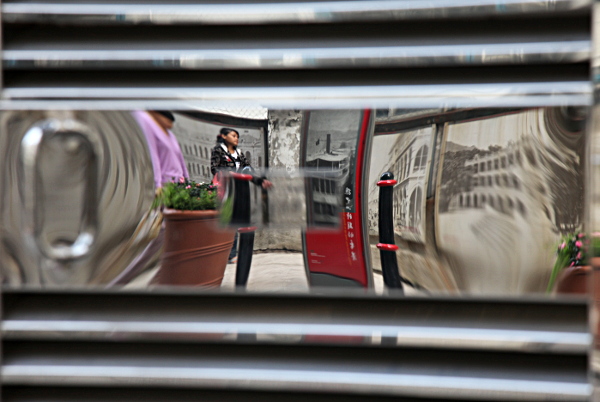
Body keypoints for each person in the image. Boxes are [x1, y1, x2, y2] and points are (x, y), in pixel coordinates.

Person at [109, 110, 188, 286]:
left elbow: (180, 160)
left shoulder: (168, 133)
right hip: (164, 190)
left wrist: (187, 185)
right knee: (157, 239)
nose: (171, 121)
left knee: (167, 240)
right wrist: (157, 185)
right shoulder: (145, 119)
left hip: (177, 191)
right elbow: (151, 156)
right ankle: (118, 282)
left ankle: (158, 282)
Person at [210, 127, 272, 263]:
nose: (236, 138)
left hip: (241, 189)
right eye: (233, 136)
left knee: (239, 221)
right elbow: (214, 168)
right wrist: (229, 173)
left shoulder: (239, 152)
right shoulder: (218, 150)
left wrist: (261, 181)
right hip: (227, 188)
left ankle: (233, 254)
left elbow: (248, 170)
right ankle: (228, 254)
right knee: (229, 220)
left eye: (237, 136)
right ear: (224, 137)